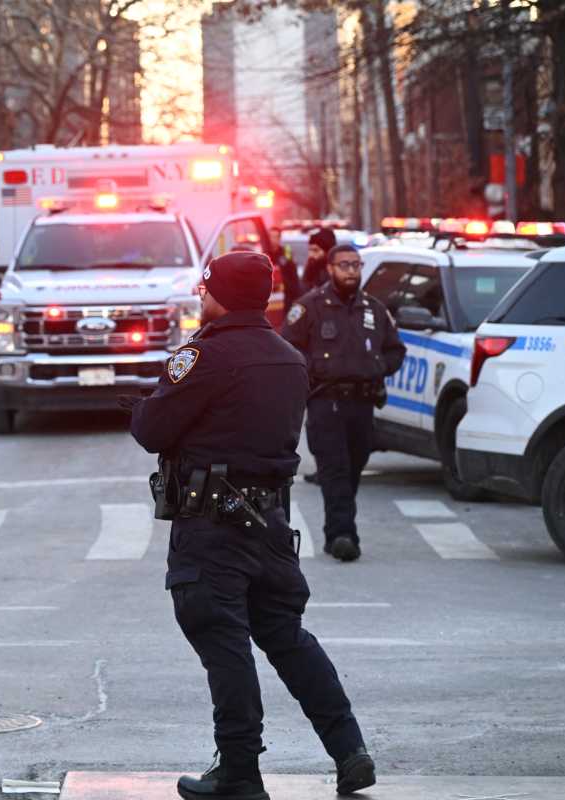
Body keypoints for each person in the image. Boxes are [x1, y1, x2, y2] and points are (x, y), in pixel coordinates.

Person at [126, 251, 375, 800]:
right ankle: (349, 748)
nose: (199, 294)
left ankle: (239, 769)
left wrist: (144, 403)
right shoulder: (288, 357)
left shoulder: (206, 356)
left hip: (212, 528)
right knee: (287, 637)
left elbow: (153, 427)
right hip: (269, 522)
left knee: (223, 640)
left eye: (205, 287)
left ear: (225, 295)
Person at [282, 244, 406, 562]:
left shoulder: (374, 309)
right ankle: (342, 535)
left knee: (353, 468)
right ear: (330, 269)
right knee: (335, 470)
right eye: (344, 265)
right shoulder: (310, 307)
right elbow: (287, 348)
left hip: (362, 403)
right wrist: (313, 372)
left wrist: (377, 366)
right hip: (326, 402)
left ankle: (336, 527)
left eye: (356, 265)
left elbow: (396, 350)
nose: (351, 271)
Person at [302, 227, 337, 292]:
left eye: (315, 250)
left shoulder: (337, 274)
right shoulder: (311, 267)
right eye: (310, 250)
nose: (311, 255)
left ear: (328, 251)